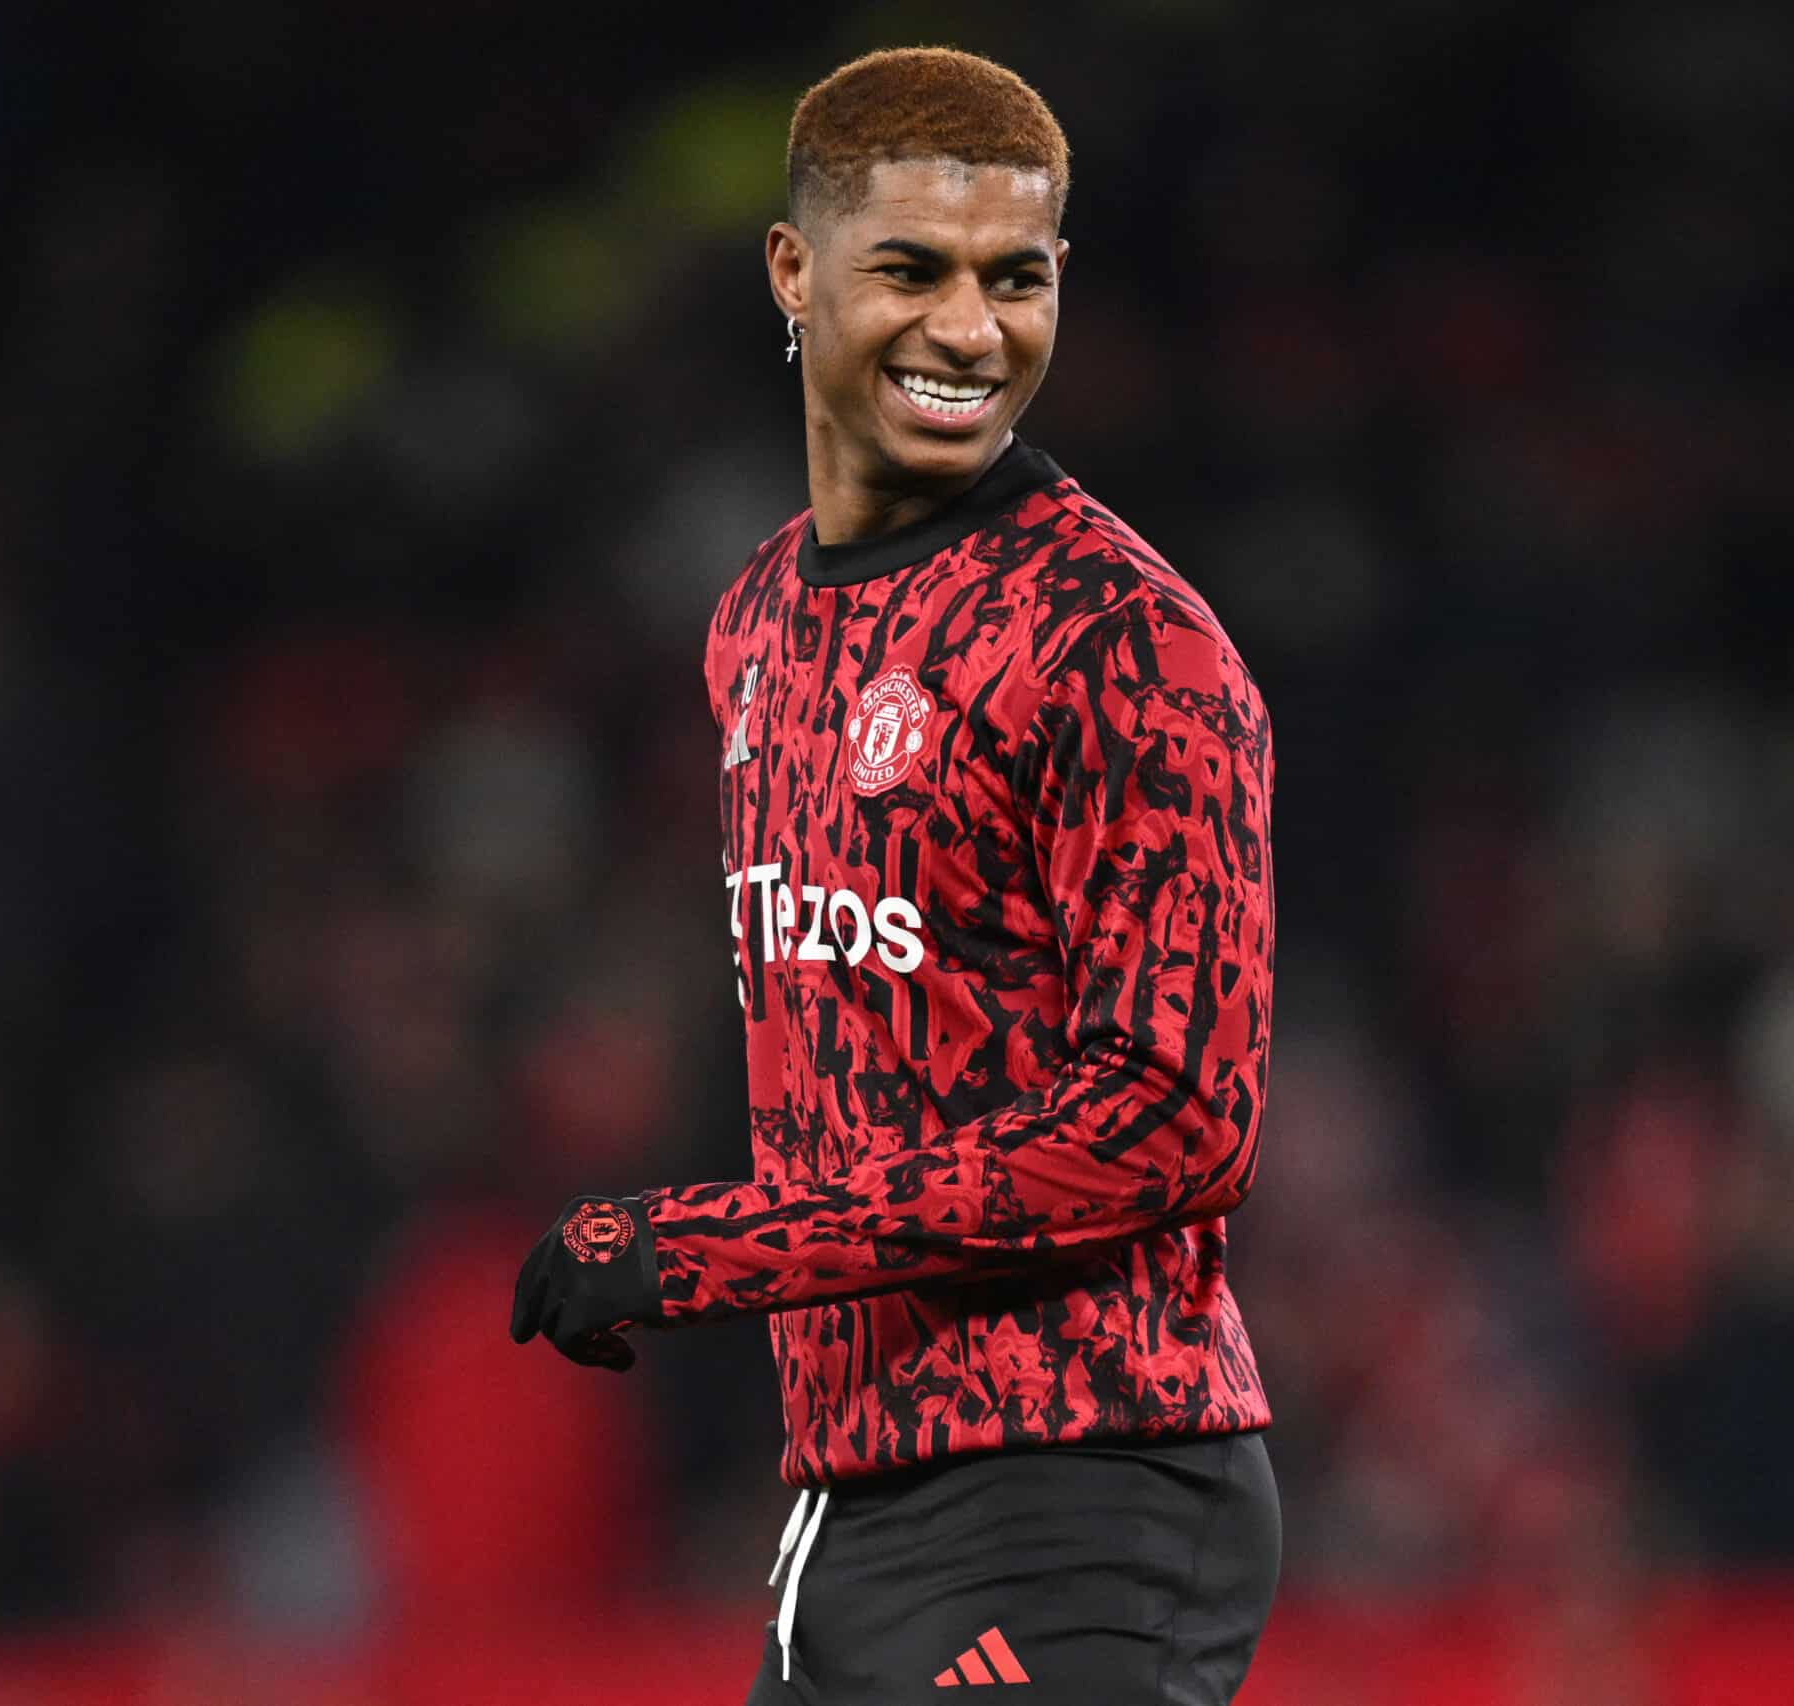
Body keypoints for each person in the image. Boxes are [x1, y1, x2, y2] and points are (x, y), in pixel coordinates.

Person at [509, 46, 1280, 1704]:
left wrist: (715, 1245)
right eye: (911, 270)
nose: (970, 330)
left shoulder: (1125, 645)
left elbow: (1176, 1114)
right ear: (793, 271)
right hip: (845, 1495)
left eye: (1017, 278)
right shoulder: (753, 628)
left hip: (1089, 1470)